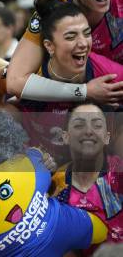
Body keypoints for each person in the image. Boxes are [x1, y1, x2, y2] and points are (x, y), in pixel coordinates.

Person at [0, 71, 108, 256]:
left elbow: (32, 161)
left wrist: (40, 158)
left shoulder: (1, 126)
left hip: (52, 220)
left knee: (103, 231)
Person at [7, 0, 123, 106]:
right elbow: (15, 81)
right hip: (67, 98)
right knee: (8, 109)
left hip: (114, 93)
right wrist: (84, 92)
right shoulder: (51, 11)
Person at [16, 0, 123, 162]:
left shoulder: (109, 74)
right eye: (71, 36)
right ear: (49, 46)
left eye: (86, 34)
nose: (82, 43)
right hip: (42, 165)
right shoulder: (26, 77)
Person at [51, 103, 122, 256]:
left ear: (107, 137)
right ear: (65, 137)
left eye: (97, 125)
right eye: (79, 125)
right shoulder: (55, 186)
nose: (89, 131)